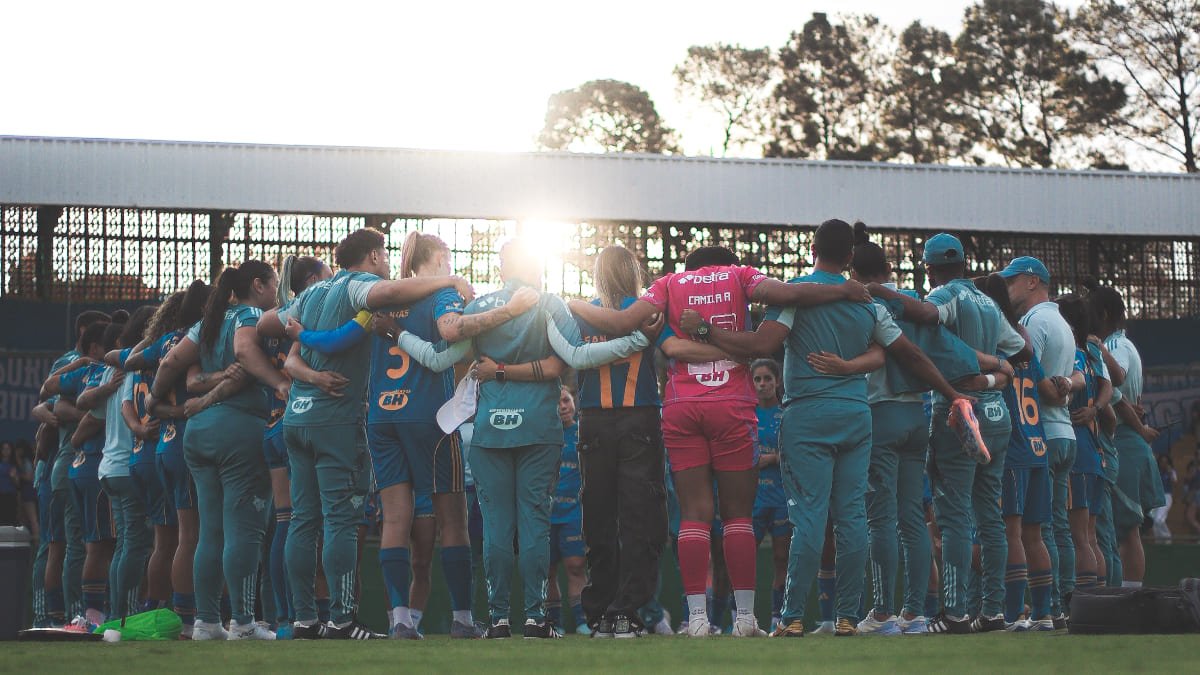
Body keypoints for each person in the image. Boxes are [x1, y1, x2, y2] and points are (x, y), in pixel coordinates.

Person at [682, 220, 975, 638]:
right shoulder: (865, 301)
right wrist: (953, 393)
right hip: (857, 415)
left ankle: (793, 617)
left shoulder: (795, 293)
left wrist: (707, 330)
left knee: (810, 518)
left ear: (811, 247)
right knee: (853, 517)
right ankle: (847, 618)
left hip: (808, 416)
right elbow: (906, 354)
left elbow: (760, 345)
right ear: (851, 257)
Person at [572, 243, 870, 638]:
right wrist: (843, 289)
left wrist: (569, 303)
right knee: (737, 516)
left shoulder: (669, 283)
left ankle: (696, 619)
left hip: (682, 405)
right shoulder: (739, 275)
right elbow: (789, 294)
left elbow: (629, 323)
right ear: (726, 264)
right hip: (731, 403)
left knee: (694, 514)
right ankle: (744, 619)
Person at [260, 227, 474, 640]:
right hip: (405, 415)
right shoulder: (381, 290)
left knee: (310, 520)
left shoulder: (314, 294)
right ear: (375, 257)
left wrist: (296, 328)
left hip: (349, 417)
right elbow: (431, 330)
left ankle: (318, 619)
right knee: (446, 519)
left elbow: (274, 328)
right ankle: (453, 618)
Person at [871, 237, 1029, 634]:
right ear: (963, 261)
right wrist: (996, 372)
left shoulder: (948, 293)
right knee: (990, 516)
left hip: (958, 408)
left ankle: (955, 614)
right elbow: (1022, 350)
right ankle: (993, 612)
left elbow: (927, 314)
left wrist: (876, 291)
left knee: (953, 514)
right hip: (996, 411)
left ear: (928, 268)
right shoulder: (989, 302)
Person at [152, 260, 288, 640]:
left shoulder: (207, 323)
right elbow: (245, 352)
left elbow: (169, 363)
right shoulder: (248, 314)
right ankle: (243, 622)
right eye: (274, 285)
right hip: (239, 429)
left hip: (199, 432)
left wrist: (156, 402)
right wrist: (278, 381)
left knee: (209, 532)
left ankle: (206, 622)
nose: (276, 293)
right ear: (258, 286)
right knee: (244, 530)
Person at [973, 274, 1056, 631]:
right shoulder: (1024, 348)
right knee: (1033, 536)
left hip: (1013, 452)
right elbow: (1048, 390)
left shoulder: (997, 348)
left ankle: (1010, 615)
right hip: (1039, 447)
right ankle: (1043, 614)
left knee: (1010, 534)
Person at [130, 280, 211, 635]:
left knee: (172, 538)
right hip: (185, 443)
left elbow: (129, 360)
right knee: (193, 535)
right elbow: (195, 384)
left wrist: (154, 404)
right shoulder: (198, 339)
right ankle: (190, 616)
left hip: (163, 444)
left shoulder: (165, 341)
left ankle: (165, 610)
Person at [999, 255, 1076, 627]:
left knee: (1014, 533)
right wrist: (1065, 392)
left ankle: (1014, 613)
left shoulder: (1022, 330)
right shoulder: (1061, 323)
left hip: (1020, 441)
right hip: (1046, 441)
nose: (1008, 287)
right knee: (1045, 533)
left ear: (1031, 281)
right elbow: (1056, 383)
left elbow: (1033, 385)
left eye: (1011, 280)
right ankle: (1050, 611)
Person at [36, 309, 110, 627]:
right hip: (68, 462)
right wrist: (83, 420)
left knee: (74, 543)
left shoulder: (102, 367)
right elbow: (48, 399)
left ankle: (68, 614)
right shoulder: (77, 363)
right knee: (61, 544)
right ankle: (56, 615)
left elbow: (49, 404)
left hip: (75, 462)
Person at [1091, 282, 1164, 587]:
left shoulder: (1117, 346)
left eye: (1092, 312)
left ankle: (1130, 596)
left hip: (1124, 442)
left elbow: (1116, 389)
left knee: (1126, 529)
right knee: (1121, 529)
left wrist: (1140, 428)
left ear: (1105, 314)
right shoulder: (1121, 344)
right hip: (1124, 440)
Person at [111, 294, 179, 614]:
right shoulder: (170, 353)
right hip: (156, 452)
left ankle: (149, 605)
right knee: (168, 542)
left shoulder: (139, 361)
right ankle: (158, 607)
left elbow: (127, 404)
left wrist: (136, 429)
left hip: (139, 456)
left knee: (156, 541)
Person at [60, 317, 127, 630]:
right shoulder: (112, 374)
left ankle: (88, 613)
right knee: (106, 545)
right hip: (101, 465)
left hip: (85, 466)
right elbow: (87, 417)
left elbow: (49, 393)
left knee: (93, 545)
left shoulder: (92, 371)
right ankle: (97, 614)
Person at [95, 306, 156, 620]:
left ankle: (115, 613)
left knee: (124, 544)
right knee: (135, 542)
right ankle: (126, 614)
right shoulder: (134, 365)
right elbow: (126, 410)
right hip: (124, 464)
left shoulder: (112, 367)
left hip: (109, 465)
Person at [1056, 294, 1110, 598]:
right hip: (1094, 451)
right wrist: (1097, 409)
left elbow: (1070, 384)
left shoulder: (1073, 357)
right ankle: (1100, 599)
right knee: (1090, 536)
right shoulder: (1091, 354)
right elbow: (1109, 385)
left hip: (1078, 450)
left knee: (1079, 537)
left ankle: (1086, 601)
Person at [747, 360, 789, 631]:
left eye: (767, 379)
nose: (762, 384)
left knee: (781, 558)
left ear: (777, 382)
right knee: (743, 559)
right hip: (752, 499)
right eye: (757, 379)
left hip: (783, 499)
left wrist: (771, 458)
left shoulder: (787, 414)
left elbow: (796, 453)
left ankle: (777, 616)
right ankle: (742, 615)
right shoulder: (745, 413)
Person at [546, 386, 589, 635]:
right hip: (545, 514)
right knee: (548, 570)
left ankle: (582, 621)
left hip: (574, 513)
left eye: (566, 400)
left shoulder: (584, 433)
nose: (562, 406)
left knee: (575, 565)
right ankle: (554, 623)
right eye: (557, 402)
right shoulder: (543, 433)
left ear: (573, 402)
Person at [15, 441, 38, 539]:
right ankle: (26, 539)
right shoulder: (22, 462)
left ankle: (37, 540)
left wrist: (17, 475)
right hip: (24, 492)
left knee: (32, 518)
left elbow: (29, 477)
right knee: (23, 518)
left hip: (28, 491)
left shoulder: (27, 462)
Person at [1150, 454, 1175, 541]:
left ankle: (1167, 538)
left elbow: (1174, 481)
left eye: (1165, 462)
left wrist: (1170, 472)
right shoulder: (1156, 471)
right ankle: (1159, 541)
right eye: (1162, 462)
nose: (1163, 464)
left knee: (1159, 519)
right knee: (1152, 519)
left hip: (1167, 496)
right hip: (1156, 497)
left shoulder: (1171, 471)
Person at [0, 442, 18, 525]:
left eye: (8, 449)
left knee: (11, 519)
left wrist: (14, 477)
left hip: (11, 495)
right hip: (1, 495)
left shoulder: (13, 465)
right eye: (4, 449)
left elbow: (17, 484)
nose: (6, 451)